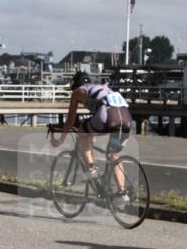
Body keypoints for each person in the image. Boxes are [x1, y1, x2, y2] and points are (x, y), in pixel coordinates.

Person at [51, 71, 134, 202]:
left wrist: (61, 140)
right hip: (126, 118)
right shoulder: (104, 88)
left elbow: (70, 120)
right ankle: (122, 193)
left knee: (82, 133)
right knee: (114, 156)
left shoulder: (78, 91)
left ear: (76, 85)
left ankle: (91, 170)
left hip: (106, 116)